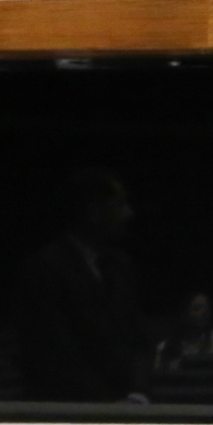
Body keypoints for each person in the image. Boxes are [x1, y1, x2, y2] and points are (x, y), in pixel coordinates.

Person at [14, 169, 145, 402]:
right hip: (69, 412)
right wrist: (104, 405)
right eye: (119, 204)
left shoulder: (120, 266)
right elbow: (53, 351)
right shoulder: (45, 267)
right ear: (93, 210)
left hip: (124, 409)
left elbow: (136, 338)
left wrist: (137, 393)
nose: (128, 213)